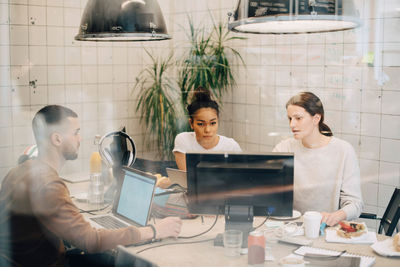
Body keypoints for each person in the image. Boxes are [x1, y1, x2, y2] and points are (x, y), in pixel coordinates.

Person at [0, 105, 182, 267]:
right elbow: (91, 241)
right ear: (57, 139)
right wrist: (154, 230)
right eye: (75, 132)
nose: (80, 139)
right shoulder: (49, 185)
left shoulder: (18, 171)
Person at [273, 92, 363, 226]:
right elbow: (267, 188)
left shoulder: (343, 150)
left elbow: (355, 204)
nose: (292, 124)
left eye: (298, 118)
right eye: (289, 118)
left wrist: (337, 216)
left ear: (316, 119)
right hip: (292, 227)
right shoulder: (284, 148)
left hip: (326, 229)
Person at [173, 89, 241, 170]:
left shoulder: (231, 146)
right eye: (201, 124)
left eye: (213, 123)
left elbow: (240, 177)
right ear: (191, 123)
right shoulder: (183, 140)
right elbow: (186, 178)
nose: (208, 130)